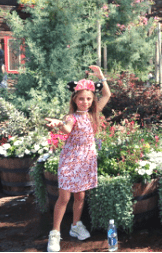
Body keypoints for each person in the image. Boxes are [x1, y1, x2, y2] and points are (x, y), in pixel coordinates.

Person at [44, 65, 111, 252]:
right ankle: (55, 233)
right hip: (70, 161)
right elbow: (66, 129)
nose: (85, 102)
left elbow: (107, 95)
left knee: (80, 196)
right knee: (64, 198)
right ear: (75, 99)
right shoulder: (71, 117)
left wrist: (101, 76)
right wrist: (58, 124)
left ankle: (75, 226)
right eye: (81, 99)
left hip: (86, 161)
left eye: (88, 99)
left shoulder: (92, 115)